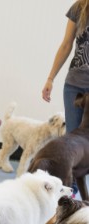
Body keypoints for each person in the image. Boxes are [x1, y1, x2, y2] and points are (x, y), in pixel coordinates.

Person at [42, 1, 89, 133]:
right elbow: (66, 45)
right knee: (72, 138)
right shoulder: (79, 7)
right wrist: (50, 78)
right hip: (74, 86)